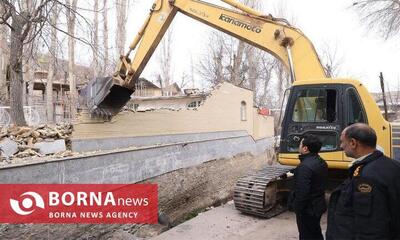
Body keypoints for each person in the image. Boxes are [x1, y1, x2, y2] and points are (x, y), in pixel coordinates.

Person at [326, 123, 400, 240]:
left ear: (353, 143)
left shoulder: (366, 177)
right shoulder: (392, 164)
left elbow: (370, 225)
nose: (341, 146)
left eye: (342, 142)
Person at [289, 134, 328, 240]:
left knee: (306, 235)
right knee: (315, 232)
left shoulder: (304, 167)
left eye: (300, 144)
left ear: (305, 148)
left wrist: (297, 208)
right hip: (318, 205)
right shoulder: (321, 162)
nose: (299, 146)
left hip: (308, 210)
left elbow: (302, 193)